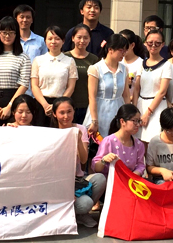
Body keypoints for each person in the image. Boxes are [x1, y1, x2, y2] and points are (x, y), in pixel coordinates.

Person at [53, 97, 106, 228]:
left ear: (74, 111)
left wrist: (77, 141)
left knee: (99, 179)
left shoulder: (80, 129)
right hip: (59, 182)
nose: (66, 116)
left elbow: (83, 160)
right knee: (85, 203)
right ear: (54, 114)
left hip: (77, 180)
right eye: (62, 113)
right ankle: (68, 213)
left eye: (69, 111)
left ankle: (80, 214)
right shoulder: (52, 133)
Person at [0, 17, 32, 125]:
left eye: (11, 32)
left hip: (14, 100)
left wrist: (10, 106)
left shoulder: (23, 57)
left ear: (16, 34)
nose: (7, 36)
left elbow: (24, 84)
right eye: (4, 32)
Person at [84, 34, 131, 137]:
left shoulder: (124, 69)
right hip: (100, 110)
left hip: (118, 109)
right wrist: (94, 120)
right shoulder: (95, 69)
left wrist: (130, 116)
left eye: (125, 51)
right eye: (121, 50)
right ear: (110, 49)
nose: (123, 54)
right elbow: (92, 97)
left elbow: (126, 95)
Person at [31, 26, 78, 126]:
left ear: (63, 41)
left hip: (62, 106)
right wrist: (45, 105)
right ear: (45, 41)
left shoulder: (70, 61)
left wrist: (58, 105)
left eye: (57, 39)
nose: (53, 42)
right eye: (50, 38)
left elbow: (71, 87)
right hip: (41, 104)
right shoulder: (38, 60)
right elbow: (34, 85)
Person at [133, 29, 169, 143]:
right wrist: (135, 110)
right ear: (145, 43)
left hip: (156, 107)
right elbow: (136, 89)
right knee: (138, 141)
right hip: (141, 104)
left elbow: (162, 92)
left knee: (153, 141)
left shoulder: (166, 65)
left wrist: (148, 113)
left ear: (162, 44)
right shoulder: (141, 64)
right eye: (150, 42)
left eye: (157, 43)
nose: (153, 45)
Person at [92, 104, 145, 177]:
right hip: (111, 180)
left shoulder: (139, 144)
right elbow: (96, 167)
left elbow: (140, 165)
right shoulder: (108, 141)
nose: (138, 124)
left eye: (139, 121)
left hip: (130, 181)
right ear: (122, 121)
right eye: (135, 121)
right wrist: (104, 160)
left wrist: (132, 176)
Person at [64, 24, 99, 125]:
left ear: (90, 39)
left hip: (87, 105)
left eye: (86, 38)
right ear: (73, 38)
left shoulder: (94, 59)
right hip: (67, 105)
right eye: (79, 37)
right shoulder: (65, 57)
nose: (82, 41)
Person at [120, 29, 144, 97]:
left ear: (132, 45)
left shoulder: (141, 63)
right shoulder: (118, 61)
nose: (122, 48)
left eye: (124, 44)